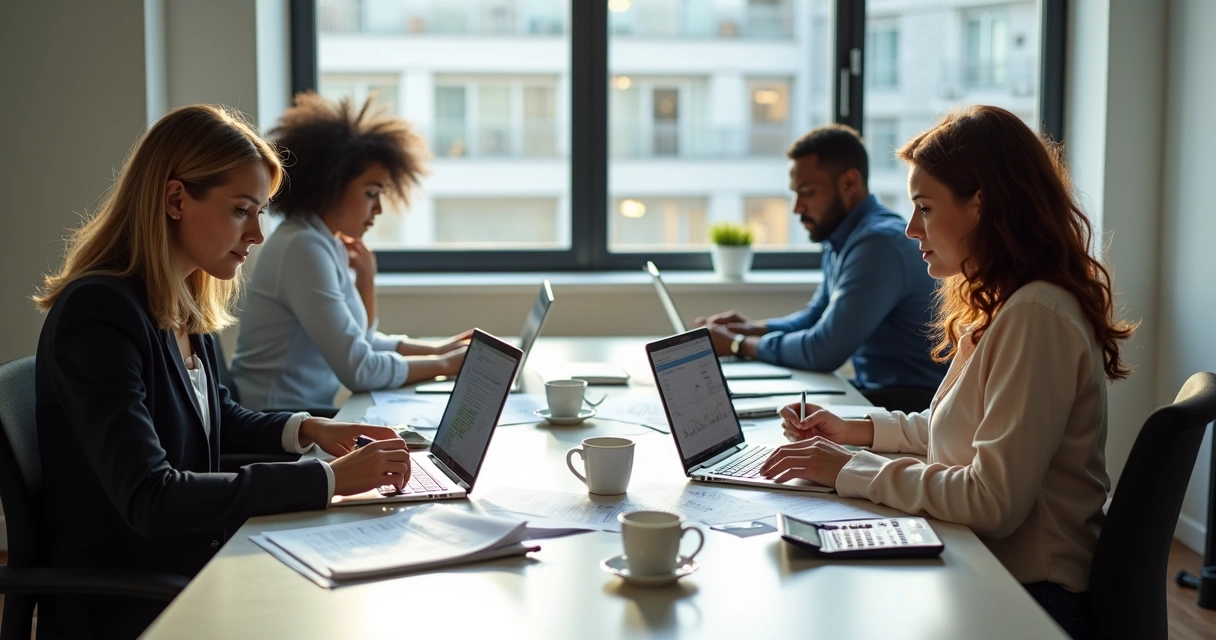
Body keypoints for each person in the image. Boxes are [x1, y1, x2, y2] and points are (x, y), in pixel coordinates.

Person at [33, 105, 414, 639]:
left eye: (259, 212)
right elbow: (151, 496)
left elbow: (218, 418)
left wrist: (309, 430)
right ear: (174, 199)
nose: (257, 234)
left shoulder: (182, 299)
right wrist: (326, 478)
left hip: (198, 558)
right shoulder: (99, 313)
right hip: (140, 598)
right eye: (242, 210)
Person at [759, 106, 1134, 640]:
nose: (912, 229)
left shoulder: (1035, 316)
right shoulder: (1008, 303)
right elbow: (951, 431)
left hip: (1034, 599)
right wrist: (854, 432)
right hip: (996, 569)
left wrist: (849, 469)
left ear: (980, 205)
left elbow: (991, 502)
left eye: (925, 208)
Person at [231, 92, 471, 411]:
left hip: (303, 417)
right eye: (371, 193)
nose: (379, 209)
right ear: (330, 184)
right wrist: (447, 366)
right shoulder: (302, 248)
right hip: (274, 425)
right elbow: (359, 369)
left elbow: (360, 342)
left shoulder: (321, 241)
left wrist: (438, 351)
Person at [695, 124, 946, 408]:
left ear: (849, 183)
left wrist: (738, 345)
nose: (797, 207)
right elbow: (817, 316)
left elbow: (823, 350)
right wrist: (752, 328)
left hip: (911, 403)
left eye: (807, 192)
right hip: (876, 392)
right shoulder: (843, 235)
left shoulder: (879, 244)